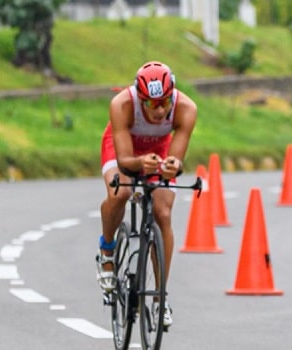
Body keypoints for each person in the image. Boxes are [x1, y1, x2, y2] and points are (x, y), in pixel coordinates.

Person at [96, 61, 198, 328]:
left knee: (163, 212)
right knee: (121, 192)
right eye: (152, 104)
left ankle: (160, 297)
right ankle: (107, 252)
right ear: (140, 98)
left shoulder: (186, 108)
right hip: (124, 148)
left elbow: (175, 160)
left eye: (165, 102)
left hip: (159, 149)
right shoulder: (122, 104)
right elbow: (124, 161)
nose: (160, 110)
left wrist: (173, 166)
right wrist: (140, 163)